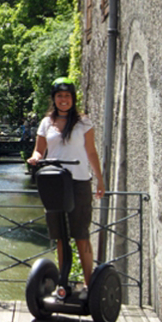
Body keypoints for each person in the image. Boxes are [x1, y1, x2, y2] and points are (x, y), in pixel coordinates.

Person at [27, 76, 105, 291]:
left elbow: (91, 152)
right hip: (54, 182)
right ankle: (63, 282)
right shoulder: (46, 123)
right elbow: (39, 149)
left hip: (79, 181)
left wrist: (100, 179)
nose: (64, 100)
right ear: (54, 98)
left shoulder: (83, 122)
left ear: (72, 99)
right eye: (60, 96)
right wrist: (35, 158)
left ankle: (89, 285)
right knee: (60, 236)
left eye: (67, 96)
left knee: (81, 234)